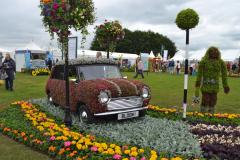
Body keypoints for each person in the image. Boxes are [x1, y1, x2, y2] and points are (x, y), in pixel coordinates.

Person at [193, 47, 230, 114]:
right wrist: (197, 86)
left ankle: (211, 114)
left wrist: (225, 85)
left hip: (215, 86)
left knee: (213, 101)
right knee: (205, 100)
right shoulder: (204, 61)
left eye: (215, 52)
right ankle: (203, 113)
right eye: (212, 52)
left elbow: (224, 75)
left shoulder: (220, 62)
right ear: (209, 53)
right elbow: (199, 74)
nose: (213, 54)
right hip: (205, 85)